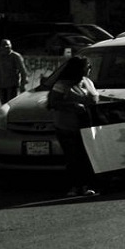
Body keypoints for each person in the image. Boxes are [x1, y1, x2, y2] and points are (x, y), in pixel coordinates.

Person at [47, 56, 100, 197]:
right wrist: (73, 106)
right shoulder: (62, 84)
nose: (90, 69)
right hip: (67, 126)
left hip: (86, 125)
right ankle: (75, 186)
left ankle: (88, 185)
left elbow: (94, 98)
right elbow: (53, 103)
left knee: (86, 156)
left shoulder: (87, 81)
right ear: (79, 69)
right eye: (87, 66)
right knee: (73, 157)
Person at [0, 39, 30, 104]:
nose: (6, 47)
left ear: (11, 46)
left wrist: (22, 84)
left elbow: (23, 71)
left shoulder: (15, 56)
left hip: (12, 84)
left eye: (7, 45)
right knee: (3, 104)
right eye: (3, 45)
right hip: (1, 85)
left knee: (11, 103)